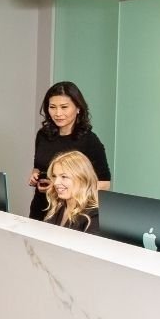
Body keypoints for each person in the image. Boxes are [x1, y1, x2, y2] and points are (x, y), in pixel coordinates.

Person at [27, 81, 111, 219]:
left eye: (64, 107)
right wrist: (35, 175)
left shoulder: (90, 141)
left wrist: (60, 189)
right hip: (41, 207)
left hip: (72, 213)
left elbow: (104, 183)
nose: (58, 113)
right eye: (52, 107)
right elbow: (39, 166)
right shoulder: (43, 135)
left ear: (78, 108)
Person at [43, 150, 100, 233]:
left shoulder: (94, 216)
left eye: (64, 176)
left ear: (82, 179)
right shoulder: (58, 208)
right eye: (54, 176)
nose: (56, 183)